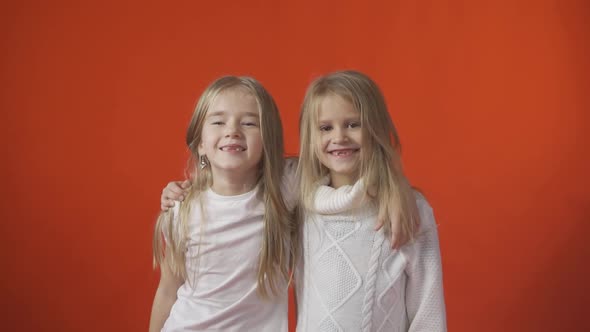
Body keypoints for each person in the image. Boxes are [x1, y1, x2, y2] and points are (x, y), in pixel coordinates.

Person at [161, 70, 447, 331]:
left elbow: (428, 311)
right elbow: (230, 181)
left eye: (353, 124)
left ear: (376, 130)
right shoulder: (300, 195)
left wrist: (395, 189)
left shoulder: (405, 208)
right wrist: (186, 188)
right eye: (325, 128)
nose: (339, 137)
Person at [149, 75, 297, 332]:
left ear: (268, 140)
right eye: (218, 121)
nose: (233, 131)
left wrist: (393, 195)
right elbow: (168, 290)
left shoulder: (285, 188)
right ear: (201, 144)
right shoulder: (182, 209)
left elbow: (337, 159)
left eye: (250, 123)